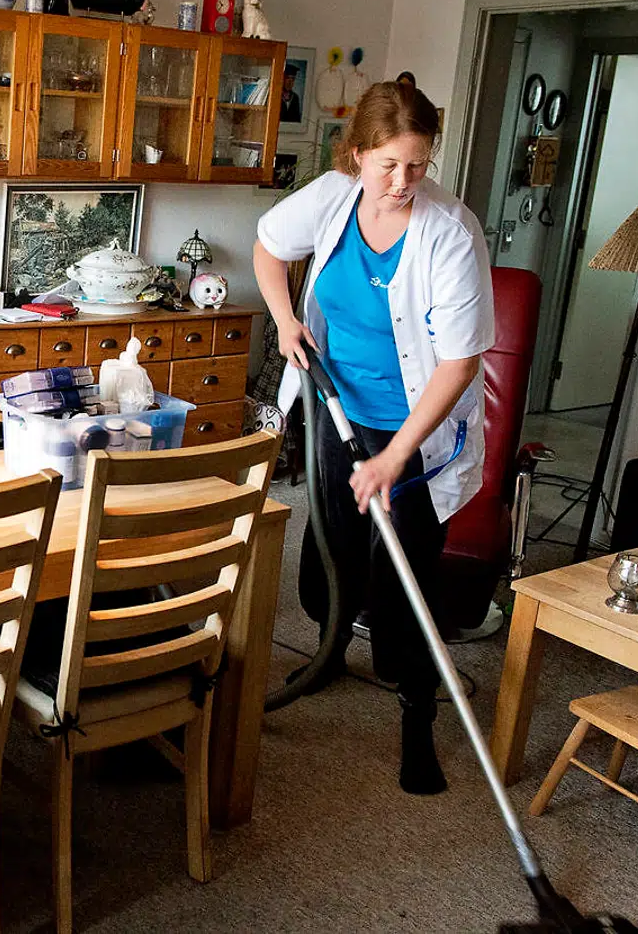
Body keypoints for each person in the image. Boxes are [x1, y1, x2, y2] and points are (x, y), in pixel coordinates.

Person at [252, 82, 494, 795]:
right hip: (337, 405)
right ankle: (328, 652)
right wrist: (286, 319)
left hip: (416, 425)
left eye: (417, 166)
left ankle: (416, 721)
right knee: (334, 538)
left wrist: (394, 455)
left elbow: (460, 361)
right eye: (387, 165)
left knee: (407, 575)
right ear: (356, 154)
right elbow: (269, 249)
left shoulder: (450, 231)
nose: (402, 182)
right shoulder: (332, 196)